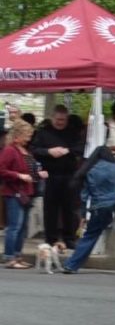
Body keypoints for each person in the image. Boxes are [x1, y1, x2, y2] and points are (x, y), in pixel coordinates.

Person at [60, 147, 115, 274]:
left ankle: (71, 264)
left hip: (98, 207)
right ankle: (73, 264)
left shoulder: (92, 170)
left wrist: (83, 214)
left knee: (90, 235)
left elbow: (85, 195)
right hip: (113, 206)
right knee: (96, 234)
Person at [31, 105, 84, 250]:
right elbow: (34, 150)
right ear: (52, 118)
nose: (60, 122)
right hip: (50, 175)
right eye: (58, 119)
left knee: (69, 209)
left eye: (63, 120)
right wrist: (49, 152)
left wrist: (67, 150)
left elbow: (81, 148)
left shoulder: (72, 132)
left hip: (69, 175)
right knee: (50, 209)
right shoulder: (43, 132)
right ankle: (50, 238)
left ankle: (69, 238)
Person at [0, 120, 45, 268]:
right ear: (17, 135)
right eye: (27, 135)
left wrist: (38, 174)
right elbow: (2, 170)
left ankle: (17, 256)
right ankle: (9, 257)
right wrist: (19, 176)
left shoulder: (24, 150)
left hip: (26, 193)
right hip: (14, 192)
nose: (29, 138)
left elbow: (29, 172)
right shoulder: (10, 150)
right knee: (15, 226)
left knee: (22, 227)